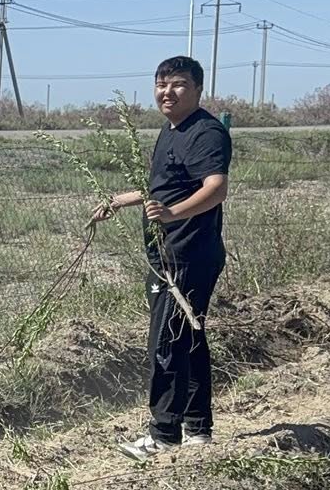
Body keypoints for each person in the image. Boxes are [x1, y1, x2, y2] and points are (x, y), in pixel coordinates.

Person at [91, 56, 231, 458]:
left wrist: (172, 215)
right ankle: (197, 428)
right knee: (189, 338)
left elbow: (216, 188)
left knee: (167, 342)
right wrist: (120, 200)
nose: (167, 92)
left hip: (187, 255)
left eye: (179, 84)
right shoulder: (170, 131)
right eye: (161, 84)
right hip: (167, 254)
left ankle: (163, 435)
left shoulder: (206, 132)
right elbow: (161, 186)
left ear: (198, 89)